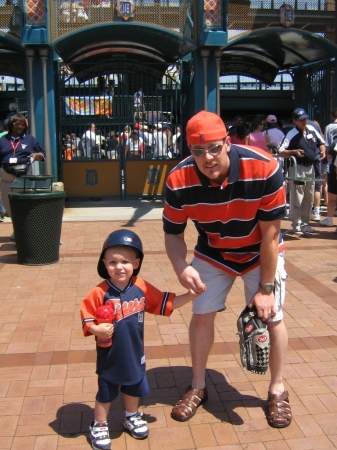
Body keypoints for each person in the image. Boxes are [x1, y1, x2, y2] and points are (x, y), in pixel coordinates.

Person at [163, 110, 292, 429]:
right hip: (214, 252)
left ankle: (277, 389)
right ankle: (197, 386)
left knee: (271, 316)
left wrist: (264, 290)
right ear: (189, 150)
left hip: (260, 252)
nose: (207, 158)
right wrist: (181, 266)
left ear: (228, 143)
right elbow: (173, 233)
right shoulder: (178, 179)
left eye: (214, 148)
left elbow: (270, 235)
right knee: (201, 314)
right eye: (197, 151)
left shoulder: (264, 168)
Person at [80, 230, 197, 450]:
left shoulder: (141, 287)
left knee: (133, 387)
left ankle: (131, 416)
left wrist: (191, 295)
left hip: (134, 353)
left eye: (125, 261)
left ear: (136, 262)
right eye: (112, 261)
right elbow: (86, 315)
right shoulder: (99, 292)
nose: (119, 266)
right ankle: (99, 424)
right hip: (109, 356)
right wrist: (96, 329)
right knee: (105, 393)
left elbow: (164, 303)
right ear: (104, 263)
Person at [278, 108, 325, 236]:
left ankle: (306, 223)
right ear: (295, 121)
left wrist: (322, 150)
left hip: (311, 167)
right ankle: (297, 223)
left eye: (305, 118)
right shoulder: (292, 133)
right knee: (298, 197)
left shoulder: (311, 129)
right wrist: (293, 152)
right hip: (298, 168)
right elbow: (280, 151)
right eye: (301, 120)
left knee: (309, 197)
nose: (304, 121)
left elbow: (321, 141)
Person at [0, 114, 45, 240]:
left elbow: (42, 153)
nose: (19, 126)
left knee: (24, 207)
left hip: (23, 177)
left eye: (22, 124)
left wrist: (37, 155)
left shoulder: (30, 139)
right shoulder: (3, 140)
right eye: (16, 124)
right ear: (10, 125)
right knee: (9, 207)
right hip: (6, 178)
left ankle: (25, 232)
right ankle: (18, 230)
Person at [319, 138, 337, 229]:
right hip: (334, 172)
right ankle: (329, 219)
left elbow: (329, 155)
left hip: (335, 172)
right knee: (332, 197)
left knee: (332, 198)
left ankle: (329, 219)